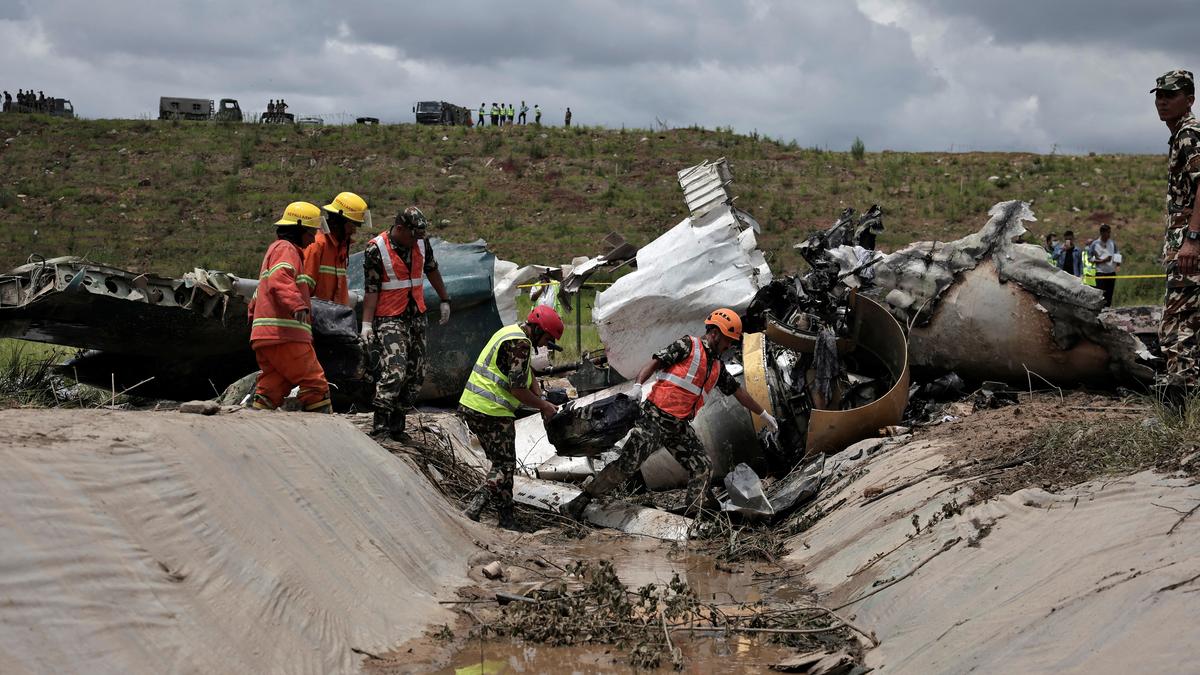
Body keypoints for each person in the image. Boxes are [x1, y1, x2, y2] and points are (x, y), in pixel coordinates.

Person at [562, 309, 779, 520]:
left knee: (702, 466)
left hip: (679, 427)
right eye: (728, 340)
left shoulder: (717, 368)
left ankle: (694, 513)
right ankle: (580, 501)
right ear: (714, 334)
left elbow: (739, 393)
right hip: (654, 419)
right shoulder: (687, 345)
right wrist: (638, 386)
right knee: (626, 465)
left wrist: (763, 414)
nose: (729, 345)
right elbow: (655, 362)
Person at [459, 306, 563, 528]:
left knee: (502, 464)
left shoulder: (510, 333)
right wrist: (544, 406)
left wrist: (540, 394)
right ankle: (475, 507)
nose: (546, 344)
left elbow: (526, 372)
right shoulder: (521, 344)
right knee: (504, 466)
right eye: (547, 338)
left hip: (472, 405)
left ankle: (507, 519)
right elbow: (517, 389)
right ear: (538, 330)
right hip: (491, 411)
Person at [360, 206, 451, 441]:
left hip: (416, 315)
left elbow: (432, 270)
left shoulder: (421, 242)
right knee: (395, 372)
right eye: (413, 235)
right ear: (399, 229)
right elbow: (371, 289)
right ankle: (380, 427)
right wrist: (366, 324)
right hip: (389, 317)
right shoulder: (375, 249)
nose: (416, 241)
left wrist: (445, 299)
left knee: (415, 375)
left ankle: (397, 426)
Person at [248, 202, 332, 413]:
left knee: (273, 386)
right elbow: (280, 279)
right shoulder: (286, 249)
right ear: (299, 229)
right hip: (286, 335)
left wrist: (254, 321)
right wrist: (297, 305)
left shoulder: (274, 251)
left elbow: (260, 292)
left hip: (267, 336)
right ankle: (324, 437)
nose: (313, 238)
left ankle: (256, 426)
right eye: (311, 232)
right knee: (315, 384)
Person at [1154, 68, 1200, 396]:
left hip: (1190, 243)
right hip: (1181, 240)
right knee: (1183, 327)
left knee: (1178, 329)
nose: (1162, 101)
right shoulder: (1180, 134)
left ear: (1190, 99)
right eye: (1159, 94)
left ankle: (1185, 409)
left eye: (1171, 95)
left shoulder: (1189, 133)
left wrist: (1192, 240)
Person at [304, 191, 368, 306]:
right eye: (352, 225)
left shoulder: (340, 248)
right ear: (339, 222)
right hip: (318, 318)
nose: (354, 231)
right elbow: (303, 289)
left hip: (334, 318)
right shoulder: (317, 245)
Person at [1087, 223, 1120, 306]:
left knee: (1109, 295)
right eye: (1107, 232)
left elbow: (1117, 253)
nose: (1109, 235)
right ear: (1102, 233)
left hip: (1111, 272)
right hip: (1100, 273)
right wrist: (1101, 261)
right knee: (1100, 295)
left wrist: (1118, 265)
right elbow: (1089, 258)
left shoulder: (1112, 243)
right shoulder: (1095, 244)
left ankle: (1107, 312)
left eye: (1109, 232)